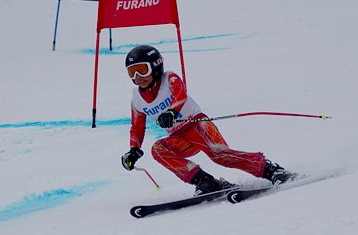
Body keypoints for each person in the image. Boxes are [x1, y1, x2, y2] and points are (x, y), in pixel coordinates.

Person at [120, 45, 294, 195]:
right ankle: (205, 182)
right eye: (131, 72)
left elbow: (180, 93)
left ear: (156, 66)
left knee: (220, 156)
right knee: (158, 149)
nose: (137, 76)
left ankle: (272, 170)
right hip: (179, 138)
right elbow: (137, 128)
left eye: (142, 70)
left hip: (198, 125)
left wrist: (172, 111)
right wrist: (134, 150)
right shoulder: (137, 99)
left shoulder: (169, 78)